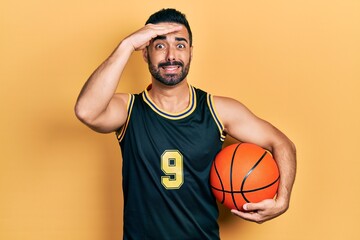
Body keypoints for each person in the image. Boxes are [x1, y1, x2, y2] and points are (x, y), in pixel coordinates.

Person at [75, 8, 296, 240]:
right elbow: (86, 111)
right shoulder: (128, 110)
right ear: (145, 53)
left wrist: (282, 200)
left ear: (191, 52)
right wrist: (126, 45)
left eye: (180, 45)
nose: (171, 55)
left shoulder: (218, 110)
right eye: (160, 46)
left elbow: (282, 144)